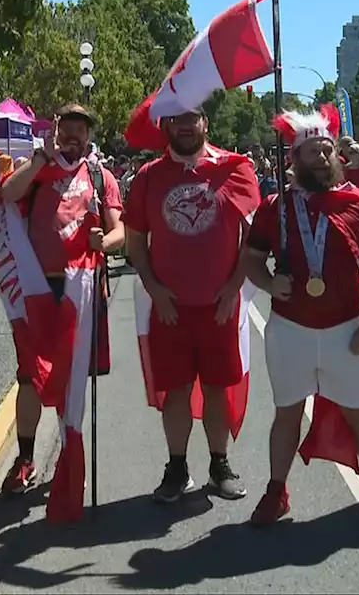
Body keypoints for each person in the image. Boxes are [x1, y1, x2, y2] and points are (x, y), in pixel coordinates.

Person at [242, 106, 359, 528]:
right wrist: (270, 283)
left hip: (346, 329)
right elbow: (252, 261)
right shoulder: (274, 207)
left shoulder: (357, 203)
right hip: (289, 329)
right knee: (287, 411)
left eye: (326, 150)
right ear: (294, 159)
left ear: (338, 156)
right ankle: (277, 491)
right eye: (311, 151)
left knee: (358, 410)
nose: (321, 157)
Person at [123, 108, 262, 504]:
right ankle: (177, 466)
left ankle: (219, 464)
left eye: (193, 117)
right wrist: (156, 290)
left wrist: (234, 287)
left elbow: (254, 239)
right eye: (176, 118)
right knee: (177, 391)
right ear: (165, 125)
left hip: (219, 307)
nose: (185, 125)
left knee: (218, 389)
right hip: (168, 308)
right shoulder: (149, 177)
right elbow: (135, 245)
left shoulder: (235, 169)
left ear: (205, 122)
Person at [0, 104, 125, 500]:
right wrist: (38, 159)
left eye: (79, 132)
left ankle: (71, 456)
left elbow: (122, 232)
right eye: (64, 130)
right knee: (30, 376)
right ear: (53, 133)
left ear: (88, 136)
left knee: (73, 380)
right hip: (38, 292)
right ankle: (27, 459)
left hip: (83, 291)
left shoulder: (102, 177)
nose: (72, 138)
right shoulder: (36, 170)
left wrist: (108, 242)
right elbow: (6, 193)